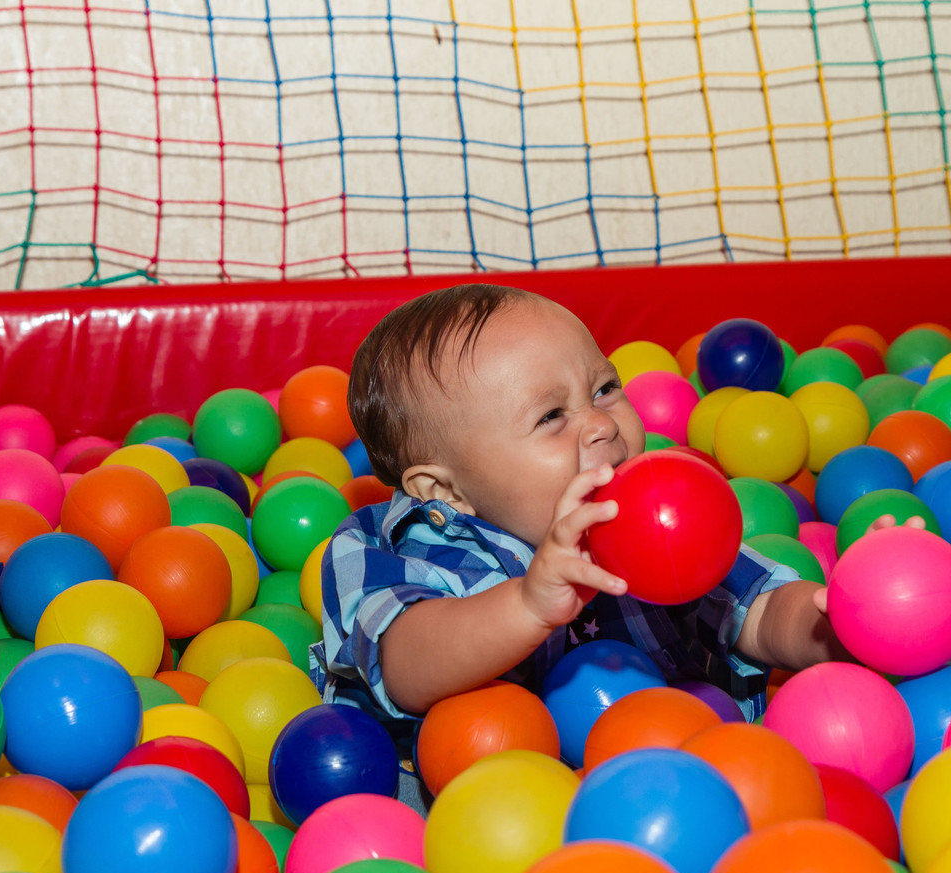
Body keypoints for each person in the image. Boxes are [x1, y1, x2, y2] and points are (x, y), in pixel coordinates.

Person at [309, 283, 905, 731]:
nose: (600, 424)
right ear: (445, 491)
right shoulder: (385, 546)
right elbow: (408, 664)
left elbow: (762, 612)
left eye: (604, 388)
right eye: (550, 417)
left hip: (673, 774)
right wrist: (527, 604)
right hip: (481, 808)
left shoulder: (654, 515)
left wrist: (844, 616)